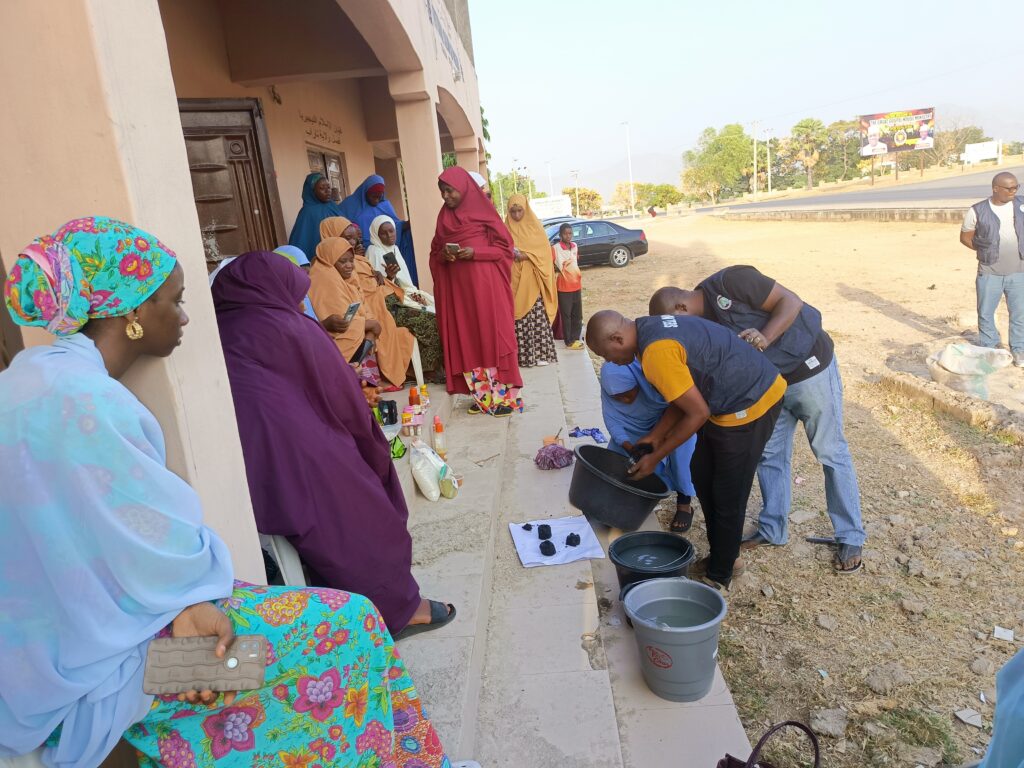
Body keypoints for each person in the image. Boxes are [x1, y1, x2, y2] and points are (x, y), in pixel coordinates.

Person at [0, 217, 453, 768]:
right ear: (132, 313)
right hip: (112, 673)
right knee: (348, 629)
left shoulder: (29, 379)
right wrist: (190, 610)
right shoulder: (88, 402)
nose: (186, 316)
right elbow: (156, 556)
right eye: (174, 301)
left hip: (57, 654)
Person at [212, 251, 454, 637]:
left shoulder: (216, 331)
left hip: (247, 472)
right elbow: (348, 406)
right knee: (365, 508)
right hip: (294, 457)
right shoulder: (292, 327)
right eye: (294, 294)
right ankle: (397, 609)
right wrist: (373, 451)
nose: (299, 304)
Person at [650, 268, 866, 573]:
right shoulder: (703, 323)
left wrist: (766, 336)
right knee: (770, 455)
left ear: (681, 307)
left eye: (675, 325)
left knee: (830, 451)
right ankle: (773, 528)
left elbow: (791, 302)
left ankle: (850, 535)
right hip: (770, 385)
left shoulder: (732, 281)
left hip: (810, 370)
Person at [586, 310, 786, 590]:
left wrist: (655, 457)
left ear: (617, 339)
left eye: (605, 355)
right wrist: (654, 437)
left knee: (727, 492)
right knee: (702, 475)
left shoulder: (655, 353)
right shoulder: (647, 332)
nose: (608, 362)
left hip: (751, 400)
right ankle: (724, 557)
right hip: (724, 397)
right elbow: (682, 397)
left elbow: (697, 413)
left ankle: (720, 575)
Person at [431, 166, 523, 416]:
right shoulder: (443, 218)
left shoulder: (484, 212)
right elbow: (434, 252)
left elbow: (505, 249)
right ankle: (483, 397)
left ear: (464, 188)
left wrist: (475, 253)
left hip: (488, 291)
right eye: (442, 191)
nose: (446, 196)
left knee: (494, 336)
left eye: (450, 190)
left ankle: (504, 399)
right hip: (460, 295)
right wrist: (444, 256)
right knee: (470, 339)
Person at [600, 360, 697, 531]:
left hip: (672, 418)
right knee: (622, 460)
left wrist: (660, 438)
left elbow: (684, 406)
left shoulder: (655, 376)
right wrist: (632, 449)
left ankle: (684, 504)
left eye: (628, 394)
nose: (624, 400)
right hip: (635, 428)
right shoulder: (610, 388)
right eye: (617, 397)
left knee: (681, 459)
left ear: (638, 381)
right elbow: (613, 421)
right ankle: (635, 497)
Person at [367, 214, 444, 382]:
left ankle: (441, 364)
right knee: (430, 319)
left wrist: (414, 296)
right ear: (376, 235)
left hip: (403, 295)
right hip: (389, 306)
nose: (389, 236)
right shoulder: (374, 252)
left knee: (438, 309)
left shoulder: (394, 249)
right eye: (384, 233)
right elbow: (378, 290)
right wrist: (390, 277)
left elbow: (405, 284)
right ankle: (428, 369)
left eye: (392, 231)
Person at [960, 172, 1024, 367]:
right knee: (986, 312)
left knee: (1020, 313)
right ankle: (989, 348)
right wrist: (986, 251)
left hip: (1019, 272)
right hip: (989, 272)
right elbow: (965, 237)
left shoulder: (1021, 204)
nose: (1013, 191)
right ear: (995, 188)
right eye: (1009, 188)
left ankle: (1019, 350)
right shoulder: (977, 210)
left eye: (1016, 187)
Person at [505, 194, 558, 368]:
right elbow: (500, 249)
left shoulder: (536, 228)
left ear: (526, 209)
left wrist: (526, 255)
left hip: (533, 281)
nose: (516, 215)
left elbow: (544, 252)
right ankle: (523, 357)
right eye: (513, 211)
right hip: (513, 280)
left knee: (537, 318)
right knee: (517, 319)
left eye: (520, 210)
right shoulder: (505, 229)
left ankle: (541, 354)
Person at [338, 174, 418, 285]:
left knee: (392, 278)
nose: (376, 200)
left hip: (385, 249)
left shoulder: (385, 205)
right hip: (360, 252)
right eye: (373, 196)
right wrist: (354, 248)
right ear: (365, 192)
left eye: (379, 196)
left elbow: (394, 225)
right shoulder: (350, 205)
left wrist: (404, 225)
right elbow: (342, 229)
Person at [287, 172, 342, 263]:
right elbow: (301, 241)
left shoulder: (333, 206)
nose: (327, 191)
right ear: (312, 191)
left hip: (340, 254)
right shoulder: (307, 212)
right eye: (322, 188)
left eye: (328, 187)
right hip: (321, 259)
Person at [553, 222, 584, 349]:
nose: (568, 236)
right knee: (566, 315)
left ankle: (576, 338)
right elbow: (550, 264)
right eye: (565, 234)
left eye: (570, 233)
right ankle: (569, 341)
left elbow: (575, 262)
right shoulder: (555, 248)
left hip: (576, 285)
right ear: (560, 235)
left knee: (578, 315)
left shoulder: (575, 246)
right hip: (564, 287)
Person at [272, 244, 318, 320]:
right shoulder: (275, 303)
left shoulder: (303, 291)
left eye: (307, 274)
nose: (306, 280)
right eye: (299, 275)